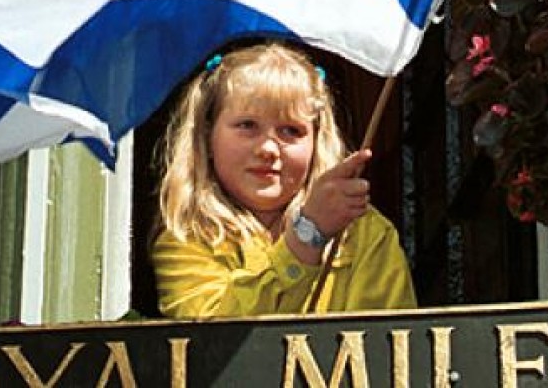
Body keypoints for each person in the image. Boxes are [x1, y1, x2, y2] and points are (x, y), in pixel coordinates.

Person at [150, 42, 416, 318]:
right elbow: (218, 342)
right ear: (207, 135)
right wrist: (307, 236)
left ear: (317, 141)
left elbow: (389, 349)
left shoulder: (366, 233)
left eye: (291, 130)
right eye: (247, 126)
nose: (268, 149)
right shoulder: (186, 235)